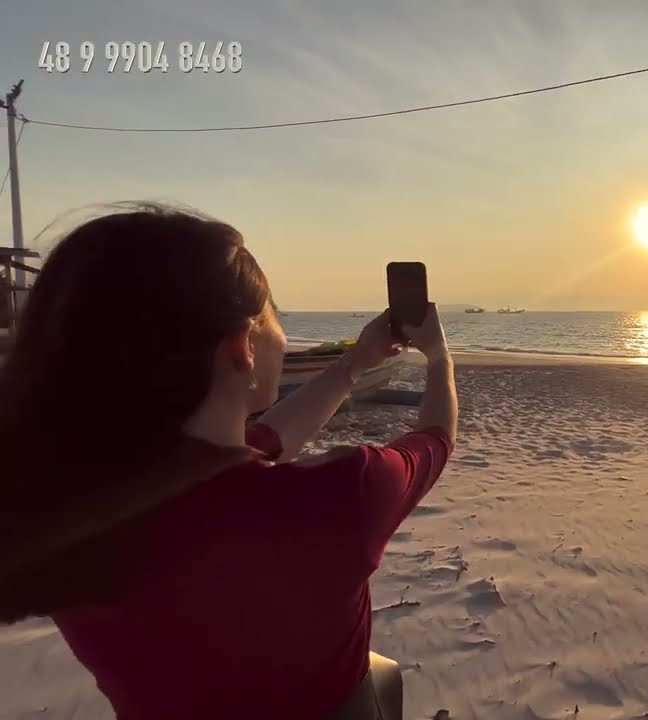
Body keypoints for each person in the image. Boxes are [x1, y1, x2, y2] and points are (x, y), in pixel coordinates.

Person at [0, 203, 458, 719]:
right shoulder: (340, 495)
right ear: (242, 345)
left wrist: (353, 363)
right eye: (274, 313)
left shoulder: (62, 509)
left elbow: (265, 441)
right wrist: (439, 358)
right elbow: (435, 438)